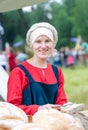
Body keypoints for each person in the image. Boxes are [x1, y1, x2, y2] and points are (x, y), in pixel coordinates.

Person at [7, 22, 68, 115]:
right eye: (38, 41)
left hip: (54, 124)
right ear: (32, 44)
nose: (43, 46)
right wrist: (38, 109)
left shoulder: (57, 72)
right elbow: (12, 108)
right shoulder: (19, 72)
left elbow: (62, 103)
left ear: (53, 43)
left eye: (47, 41)